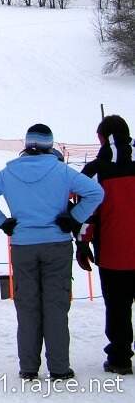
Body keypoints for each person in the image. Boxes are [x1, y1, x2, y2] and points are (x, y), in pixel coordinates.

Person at [0, 123, 104, 381]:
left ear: (26, 144)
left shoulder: (8, 173)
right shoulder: (61, 171)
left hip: (23, 245)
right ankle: (59, 367)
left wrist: (2, 222)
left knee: (27, 305)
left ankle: (29, 367)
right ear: (50, 145)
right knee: (55, 305)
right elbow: (95, 192)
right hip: (57, 243)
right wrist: (74, 217)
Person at [78, 115, 135, 375]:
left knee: (118, 307)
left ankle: (120, 358)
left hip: (114, 252)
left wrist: (82, 244)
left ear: (102, 137)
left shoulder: (96, 169)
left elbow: (86, 212)